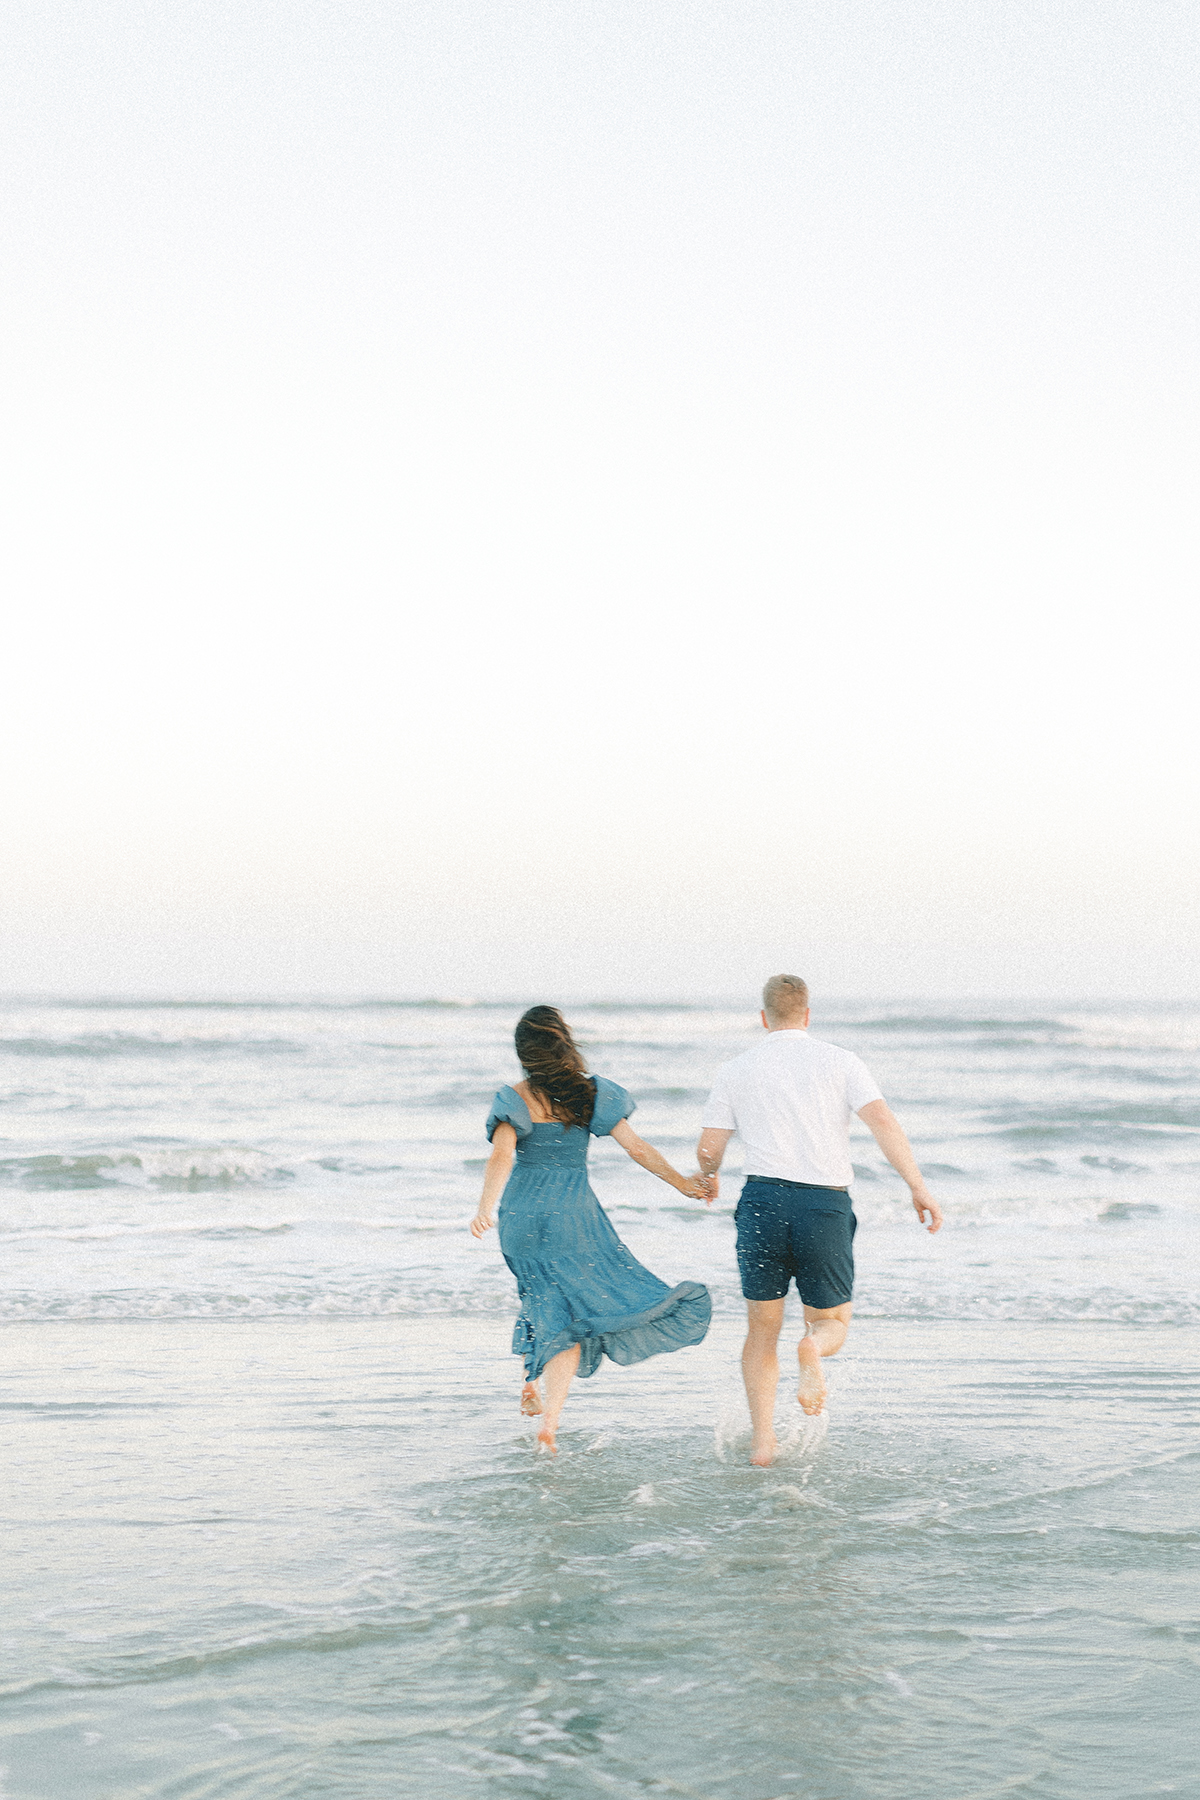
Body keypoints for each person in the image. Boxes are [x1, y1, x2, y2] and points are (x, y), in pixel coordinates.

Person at [696, 975, 943, 1466]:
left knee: (761, 1332)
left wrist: (708, 1175)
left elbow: (710, 1147)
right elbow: (884, 1124)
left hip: (762, 1203)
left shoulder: (736, 1069)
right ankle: (812, 1348)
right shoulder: (841, 1062)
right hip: (823, 1206)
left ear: (764, 1018)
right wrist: (917, 1185)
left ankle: (763, 1444)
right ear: (807, 1015)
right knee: (830, 1323)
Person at [470, 1005, 713, 1453]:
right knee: (570, 1311)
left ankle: (530, 1376)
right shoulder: (591, 1096)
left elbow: (502, 1156)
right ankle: (551, 1422)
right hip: (573, 1216)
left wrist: (485, 1207)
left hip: (521, 1216)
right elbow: (637, 1149)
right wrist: (682, 1184)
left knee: (541, 1291)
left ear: (523, 1054)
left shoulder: (514, 1098)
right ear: (566, 1044)